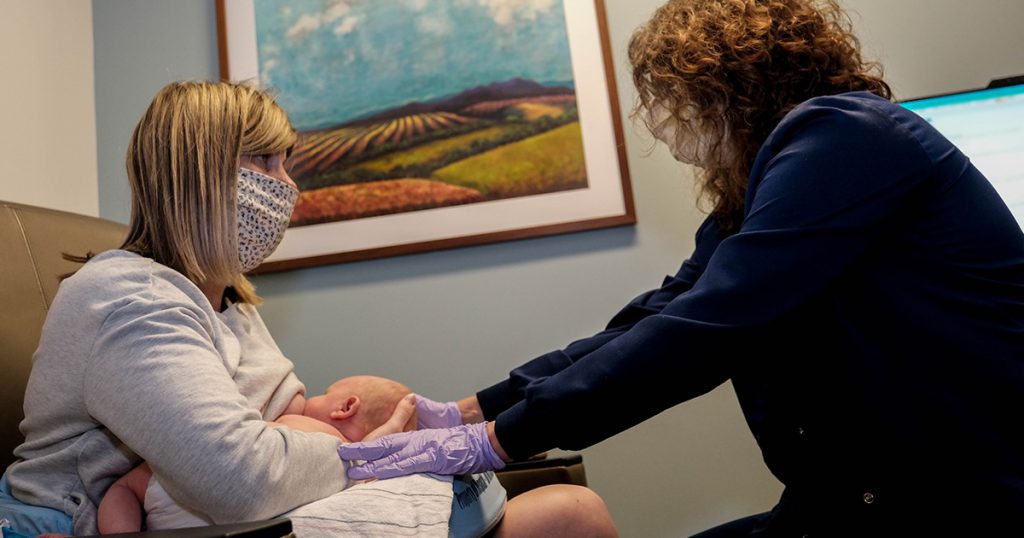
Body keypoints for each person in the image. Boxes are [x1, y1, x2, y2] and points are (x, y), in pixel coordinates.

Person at [339, 0, 1024, 535]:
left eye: (664, 100)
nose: (662, 130)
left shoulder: (846, 138)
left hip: (965, 506)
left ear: (719, 83)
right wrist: (469, 411)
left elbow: (704, 329)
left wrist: (495, 442)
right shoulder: (762, 192)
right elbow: (657, 316)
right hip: (851, 508)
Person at [1, 81, 617, 538]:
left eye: (287, 163)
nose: (287, 185)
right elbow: (241, 479)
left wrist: (438, 430)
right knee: (567, 518)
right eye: (264, 162)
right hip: (96, 525)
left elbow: (286, 416)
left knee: (569, 517)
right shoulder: (130, 299)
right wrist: (374, 455)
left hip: (224, 519)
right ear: (197, 174)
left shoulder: (228, 301)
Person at [96, 375, 417, 533]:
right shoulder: (357, 470)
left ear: (345, 407)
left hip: (185, 488)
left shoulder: (302, 426)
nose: (313, 396)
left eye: (325, 393)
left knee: (125, 489)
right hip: (239, 513)